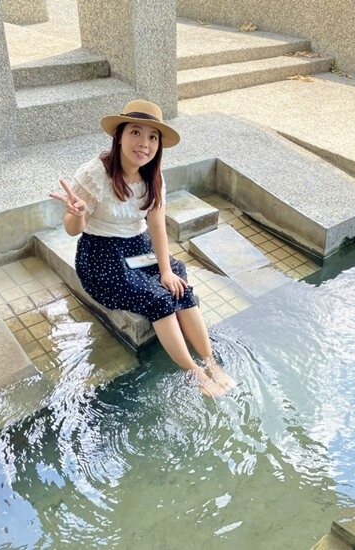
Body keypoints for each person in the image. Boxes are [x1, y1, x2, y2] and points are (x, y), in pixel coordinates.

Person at [49, 99, 236, 398]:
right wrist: (77, 212)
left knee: (178, 284)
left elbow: (158, 225)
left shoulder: (153, 175)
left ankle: (211, 363)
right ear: (119, 135)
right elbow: (74, 230)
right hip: (101, 254)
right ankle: (195, 373)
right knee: (158, 299)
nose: (144, 144)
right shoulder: (93, 174)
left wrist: (164, 269)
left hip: (137, 247)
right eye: (136, 132)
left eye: (152, 137)